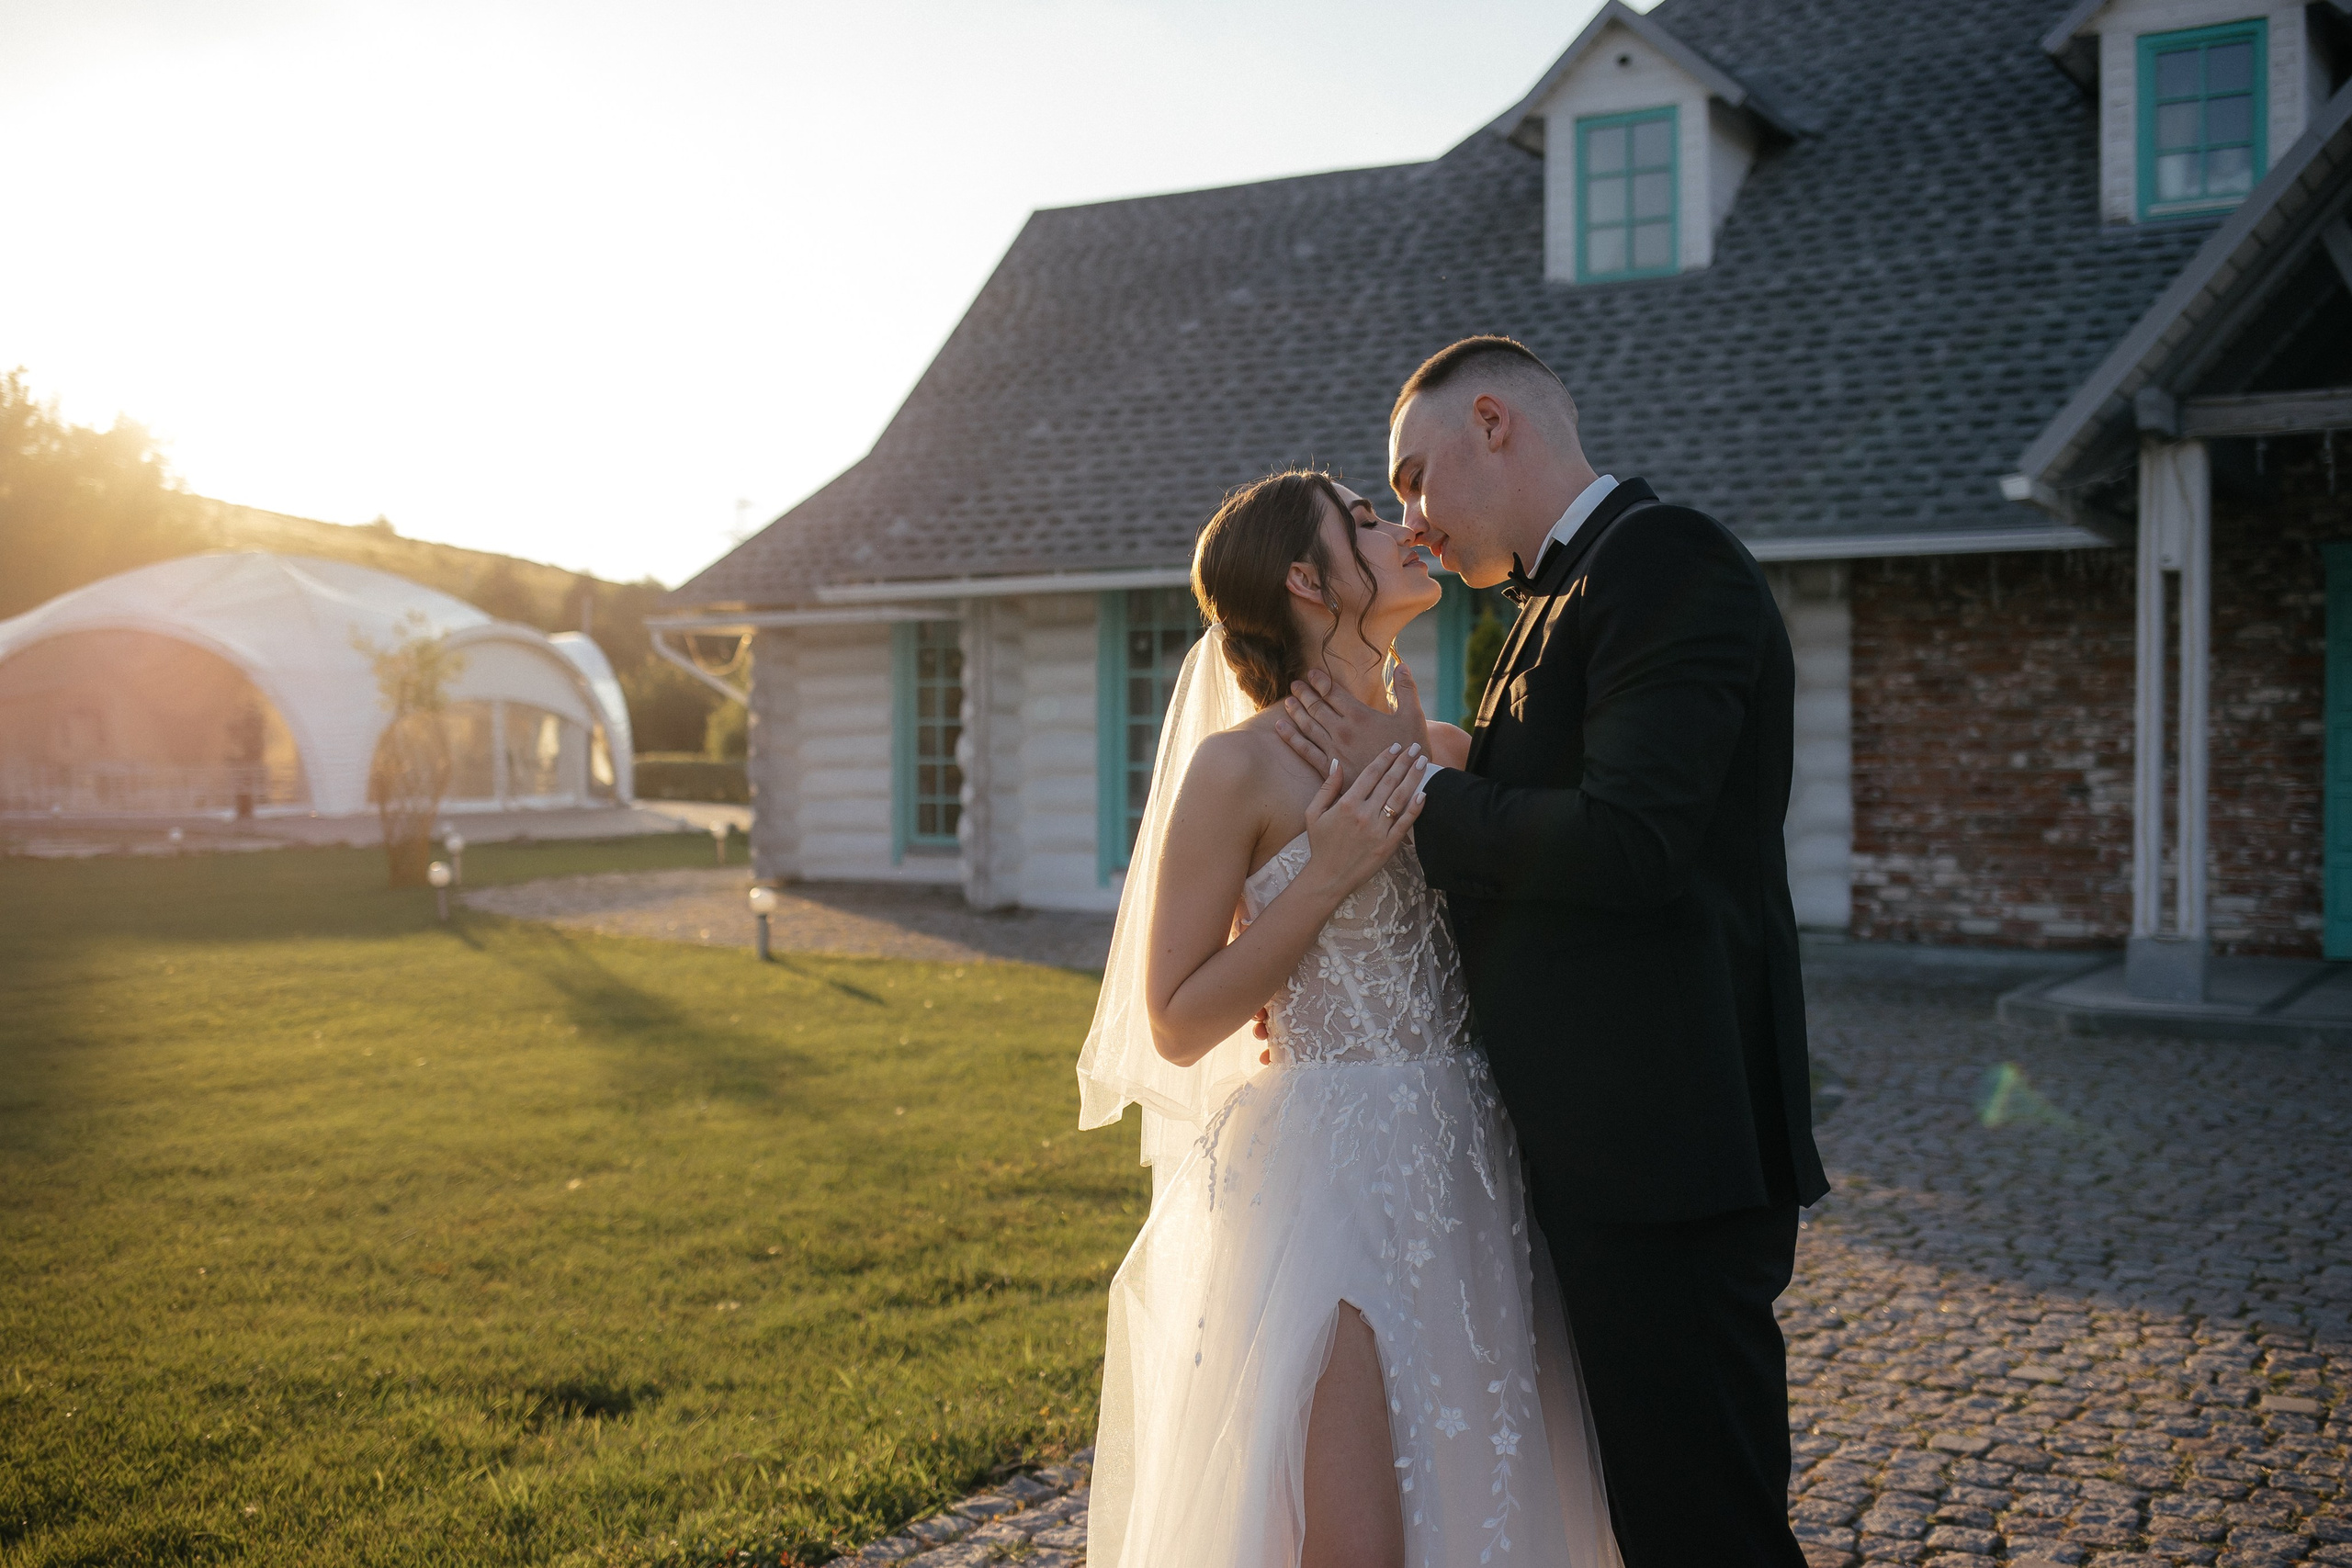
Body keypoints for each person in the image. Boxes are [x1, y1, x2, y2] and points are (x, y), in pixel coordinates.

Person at [1273, 336, 1830, 1566]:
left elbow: (1632, 843)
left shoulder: (1664, 560)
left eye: (1415, 477)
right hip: (1604, 1155)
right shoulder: (1554, 599)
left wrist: (1409, 783)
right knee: (1656, 1518)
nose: (1412, 520)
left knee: (1706, 1529)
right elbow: (1535, 834)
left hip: (1669, 1152)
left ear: (1494, 421)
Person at [1078, 469, 1619, 1567]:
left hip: (1470, 1156)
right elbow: (1175, 1021)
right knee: (1352, 1537)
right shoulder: (1236, 770)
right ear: (1304, 579)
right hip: (1325, 1171)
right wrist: (1322, 874)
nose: (1401, 527)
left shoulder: (1451, 753)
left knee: (1483, 1500)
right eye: (1363, 521)